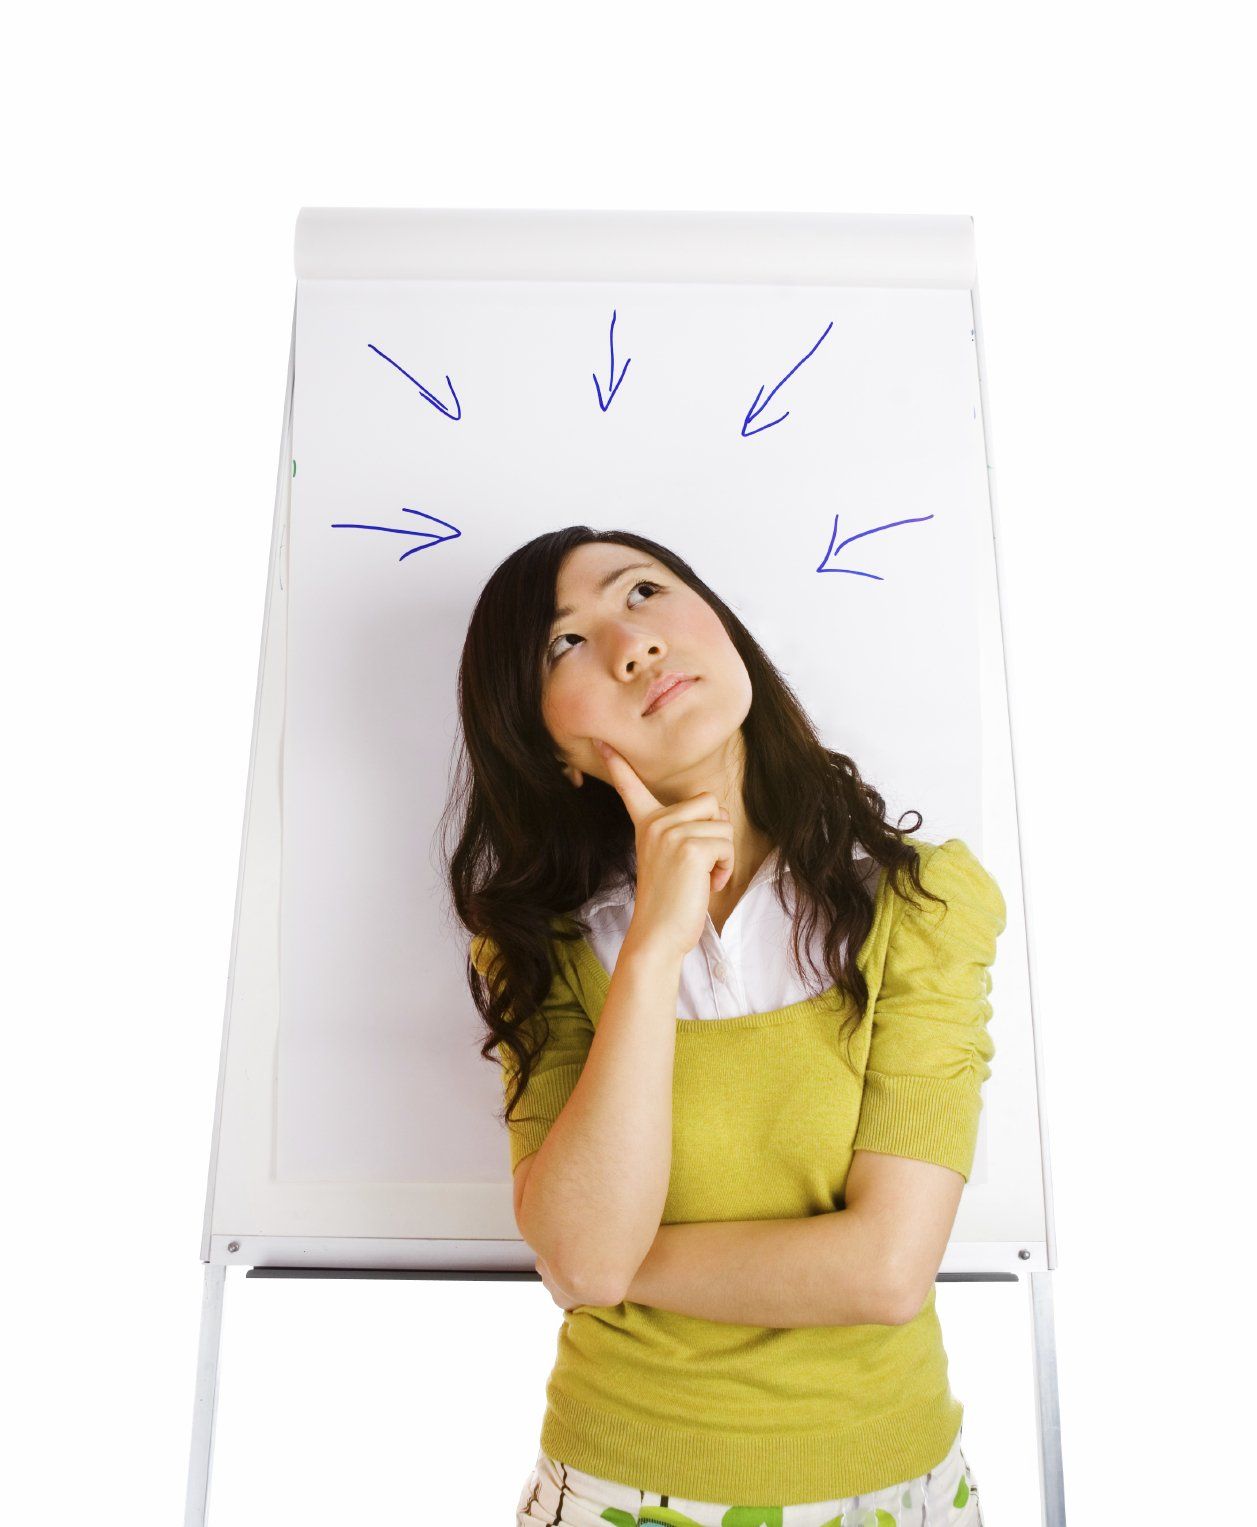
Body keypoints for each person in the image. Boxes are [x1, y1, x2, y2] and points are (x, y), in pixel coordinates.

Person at [445, 527, 1004, 1524]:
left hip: (891, 1478)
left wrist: (609, 1267)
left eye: (647, 591)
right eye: (566, 643)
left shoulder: (920, 909)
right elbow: (580, 1252)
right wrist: (654, 951)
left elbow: (884, 1271)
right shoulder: (541, 948)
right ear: (547, 746)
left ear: (725, 628)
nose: (633, 644)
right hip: (618, 1482)